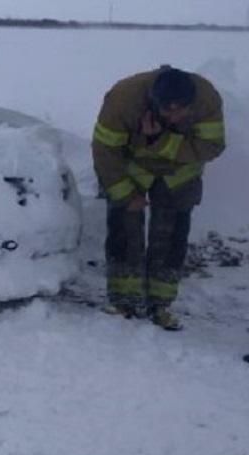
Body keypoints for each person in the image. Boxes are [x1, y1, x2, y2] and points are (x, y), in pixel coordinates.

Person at [92, 66, 225, 329]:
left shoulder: (206, 98)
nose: (174, 116)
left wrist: (163, 141)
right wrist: (126, 194)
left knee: (171, 236)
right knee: (123, 230)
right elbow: (105, 151)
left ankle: (160, 305)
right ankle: (123, 300)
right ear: (153, 101)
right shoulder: (123, 100)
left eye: (181, 110)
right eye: (167, 110)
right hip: (133, 169)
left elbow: (212, 146)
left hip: (180, 174)